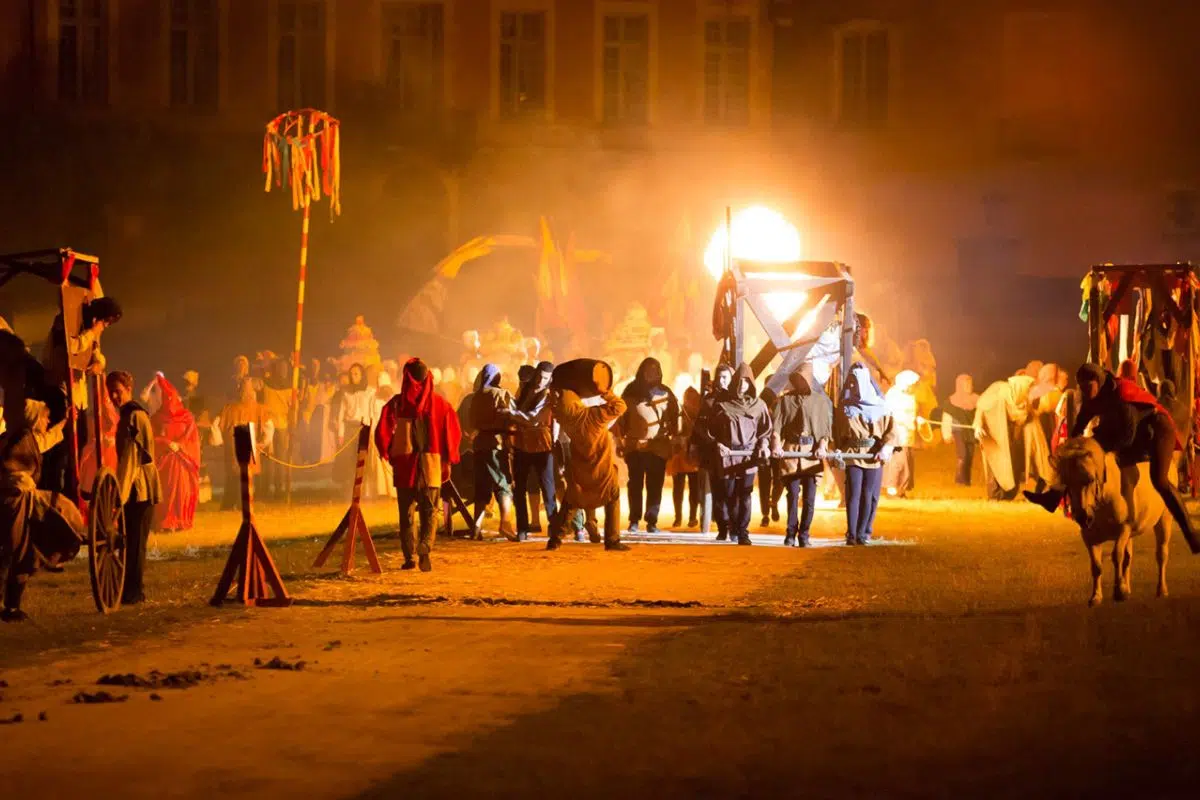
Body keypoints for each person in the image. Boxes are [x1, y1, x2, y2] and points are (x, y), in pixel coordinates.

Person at [1025, 364, 1200, 554]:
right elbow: (1079, 426)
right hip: (1122, 428)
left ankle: (1191, 535)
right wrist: (1072, 450)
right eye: (1082, 387)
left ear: (1098, 382)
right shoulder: (1091, 397)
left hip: (1155, 429)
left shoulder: (1122, 394)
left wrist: (1098, 449)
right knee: (1077, 460)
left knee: (1160, 480)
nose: (1085, 391)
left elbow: (1127, 437)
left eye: (1088, 386)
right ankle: (1053, 496)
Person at [0, 399, 86, 622]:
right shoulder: (21, 439)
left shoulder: (24, 437)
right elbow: (13, 466)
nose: (47, 421)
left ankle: (11, 605)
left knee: (17, 550)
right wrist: (21, 482)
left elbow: (46, 439)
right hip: (16, 499)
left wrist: (65, 423)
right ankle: (10, 607)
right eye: (45, 417)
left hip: (17, 498)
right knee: (16, 550)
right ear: (35, 418)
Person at [376, 358, 462, 572]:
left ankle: (409, 557)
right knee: (430, 510)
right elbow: (452, 433)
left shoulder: (397, 404)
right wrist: (449, 458)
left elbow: (382, 431)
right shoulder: (441, 405)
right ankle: (426, 546)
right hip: (432, 464)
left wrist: (388, 451)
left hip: (405, 466)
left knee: (406, 514)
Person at [693, 363, 772, 546]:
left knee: (745, 494)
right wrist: (717, 444)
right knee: (729, 494)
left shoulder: (759, 406)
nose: (743, 385)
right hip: (727, 455)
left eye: (746, 381)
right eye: (740, 381)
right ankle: (730, 526)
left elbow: (765, 430)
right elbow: (707, 428)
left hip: (749, 455)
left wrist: (763, 444)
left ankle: (742, 531)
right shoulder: (721, 405)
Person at [547, 385, 629, 551]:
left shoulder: (566, 420)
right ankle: (612, 540)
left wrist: (554, 398)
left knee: (571, 502)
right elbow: (621, 406)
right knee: (612, 497)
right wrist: (606, 393)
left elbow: (555, 410)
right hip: (601, 469)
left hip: (580, 470)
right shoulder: (594, 415)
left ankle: (555, 539)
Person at [107, 371, 161, 605]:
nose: (114, 396)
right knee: (130, 543)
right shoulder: (126, 415)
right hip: (134, 489)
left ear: (128, 388)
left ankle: (134, 592)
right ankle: (128, 590)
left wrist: (119, 496)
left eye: (118, 391)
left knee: (136, 545)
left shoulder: (135, 416)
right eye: (111, 392)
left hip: (141, 489)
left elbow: (131, 460)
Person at [834, 363, 895, 546]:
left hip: (873, 455)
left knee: (868, 494)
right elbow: (837, 431)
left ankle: (862, 533)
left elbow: (891, 432)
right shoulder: (845, 407)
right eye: (851, 383)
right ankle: (851, 534)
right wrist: (838, 449)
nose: (852, 386)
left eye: (856, 382)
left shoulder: (881, 406)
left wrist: (885, 448)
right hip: (853, 454)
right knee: (853, 494)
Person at [772, 364, 833, 547]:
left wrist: (822, 445)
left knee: (809, 499)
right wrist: (776, 444)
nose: (799, 382)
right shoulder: (785, 401)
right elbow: (776, 428)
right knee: (792, 495)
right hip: (791, 452)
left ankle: (804, 534)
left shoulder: (820, 402)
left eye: (802, 378)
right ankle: (790, 533)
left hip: (811, 455)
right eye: (796, 378)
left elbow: (825, 430)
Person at [616, 357, 679, 533]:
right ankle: (634, 520)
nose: (652, 373)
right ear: (642, 372)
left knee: (655, 485)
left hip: (658, 447)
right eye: (649, 370)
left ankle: (652, 521)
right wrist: (620, 441)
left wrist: (674, 439)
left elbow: (675, 418)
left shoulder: (666, 393)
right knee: (635, 484)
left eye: (655, 370)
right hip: (635, 446)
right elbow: (621, 419)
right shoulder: (630, 392)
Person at [509, 361, 557, 541]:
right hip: (522, 443)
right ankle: (522, 528)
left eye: (545, 378)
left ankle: (554, 526)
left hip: (543, 445)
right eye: (539, 376)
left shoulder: (549, 395)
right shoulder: (524, 390)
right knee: (519, 489)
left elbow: (538, 419)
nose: (540, 381)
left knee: (548, 488)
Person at [469, 363, 516, 540]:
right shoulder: (502, 394)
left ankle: (476, 527)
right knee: (503, 485)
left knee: (482, 487)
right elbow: (510, 417)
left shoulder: (476, 397)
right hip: (496, 444)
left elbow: (472, 421)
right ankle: (505, 524)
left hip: (479, 445)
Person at [149, 375, 200, 532]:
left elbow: (192, 437)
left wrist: (180, 445)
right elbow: (151, 437)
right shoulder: (157, 418)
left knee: (182, 491)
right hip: (165, 461)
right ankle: (166, 521)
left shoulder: (187, 417)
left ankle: (181, 519)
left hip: (182, 461)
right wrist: (166, 443)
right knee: (167, 491)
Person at [973, 374, 1035, 501]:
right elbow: (982, 407)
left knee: (1012, 463)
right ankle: (994, 495)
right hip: (993, 433)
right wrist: (978, 425)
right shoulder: (998, 392)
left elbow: (1023, 418)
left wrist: (1024, 412)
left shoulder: (1021, 399)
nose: (1028, 392)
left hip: (1010, 435)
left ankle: (1008, 494)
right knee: (995, 462)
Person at [213, 379, 271, 511]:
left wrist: (219, 442)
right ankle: (239, 503)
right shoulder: (257, 409)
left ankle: (231, 503)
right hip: (247, 448)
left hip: (235, 449)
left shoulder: (229, 408)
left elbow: (215, 425)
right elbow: (269, 428)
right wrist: (263, 443)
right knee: (244, 476)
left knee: (234, 476)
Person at [667, 387, 702, 529]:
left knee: (693, 489)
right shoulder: (679, 412)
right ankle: (679, 517)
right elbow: (674, 430)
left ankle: (691, 517)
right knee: (679, 488)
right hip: (680, 454)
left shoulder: (699, 414)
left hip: (692, 454)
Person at [883, 369, 920, 498]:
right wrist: (905, 421)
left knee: (907, 463)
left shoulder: (911, 397)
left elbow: (912, 414)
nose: (913, 387)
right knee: (898, 462)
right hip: (896, 435)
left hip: (908, 436)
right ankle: (892, 488)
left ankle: (902, 491)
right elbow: (890, 414)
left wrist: (917, 419)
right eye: (912, 385)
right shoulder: (893, 395)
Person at [941, 374, 978, 486]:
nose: (969, 386)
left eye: (970, 384)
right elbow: (946, 419)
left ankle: (966, 480)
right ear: (960, 385)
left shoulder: (977, 399)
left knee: (970, 455)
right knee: (963, 455)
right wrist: (946, 434)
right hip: (958, 431)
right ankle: (959, 480)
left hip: (971, 431)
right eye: (966, 384)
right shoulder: (952, 401)